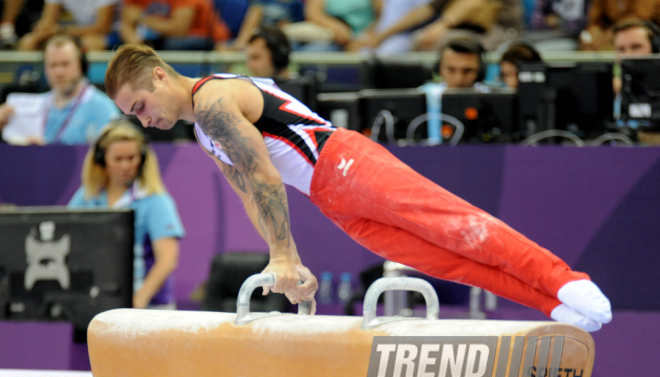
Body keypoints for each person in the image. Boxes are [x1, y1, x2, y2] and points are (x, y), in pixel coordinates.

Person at [104, 44, 613, 331]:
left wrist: (282, 256)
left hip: (345, 163)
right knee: (446, 261)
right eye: (133, 116)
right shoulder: (202, 130)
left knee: (459, 228)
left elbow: (263, 175)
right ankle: (551, 304)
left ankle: (562, 278)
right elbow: (248, 194)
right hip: (333, 201)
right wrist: (288, 257)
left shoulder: (214, 100)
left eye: (140, 107)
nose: (143, 121)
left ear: (158, 76)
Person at [68, 121, 185, 309]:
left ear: (142, 159)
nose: (126, 165)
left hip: (149, 308)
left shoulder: (155, 200)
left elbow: (168, 259)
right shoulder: (87, 196)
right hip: (99, 303)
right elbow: (67, 238)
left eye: (132, 158)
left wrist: (139, 299)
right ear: (101, 159)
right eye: (118, 159)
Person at [0, 34, 120, 144]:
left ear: (81, 65)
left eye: (65, 64)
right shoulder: (32, 106)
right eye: (52, 65)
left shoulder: (103, 107)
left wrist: (48, 152)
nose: (58, 72)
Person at [361, 0, 522, 52]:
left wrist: (440, 27)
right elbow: (427, 10)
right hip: (463, 27)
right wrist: (381, 35)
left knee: (447, 41)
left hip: (500, 29)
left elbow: (474, 3)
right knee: (419, 38)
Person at [119, 0, 230, 50]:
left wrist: (142, 17)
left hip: (206, 40)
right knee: (122, 46)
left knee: (171, 45)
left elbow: (178, 30)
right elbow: (126, 24)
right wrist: (136, 44)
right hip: (160, 40)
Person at [17, 0, 117, 51]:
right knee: (28, 42)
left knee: (92, 44)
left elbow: (103, 27)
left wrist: (60, 31)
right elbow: (48, 20)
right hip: (75, 31)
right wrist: (42, 29)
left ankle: (90, 86)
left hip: (113, 33)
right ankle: (30, 82)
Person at [579, 0, 660, 51]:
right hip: (609, 37)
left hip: (641, 31)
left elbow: (640, 16)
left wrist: (608, 35)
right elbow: (594, 21)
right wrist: (591, 38)